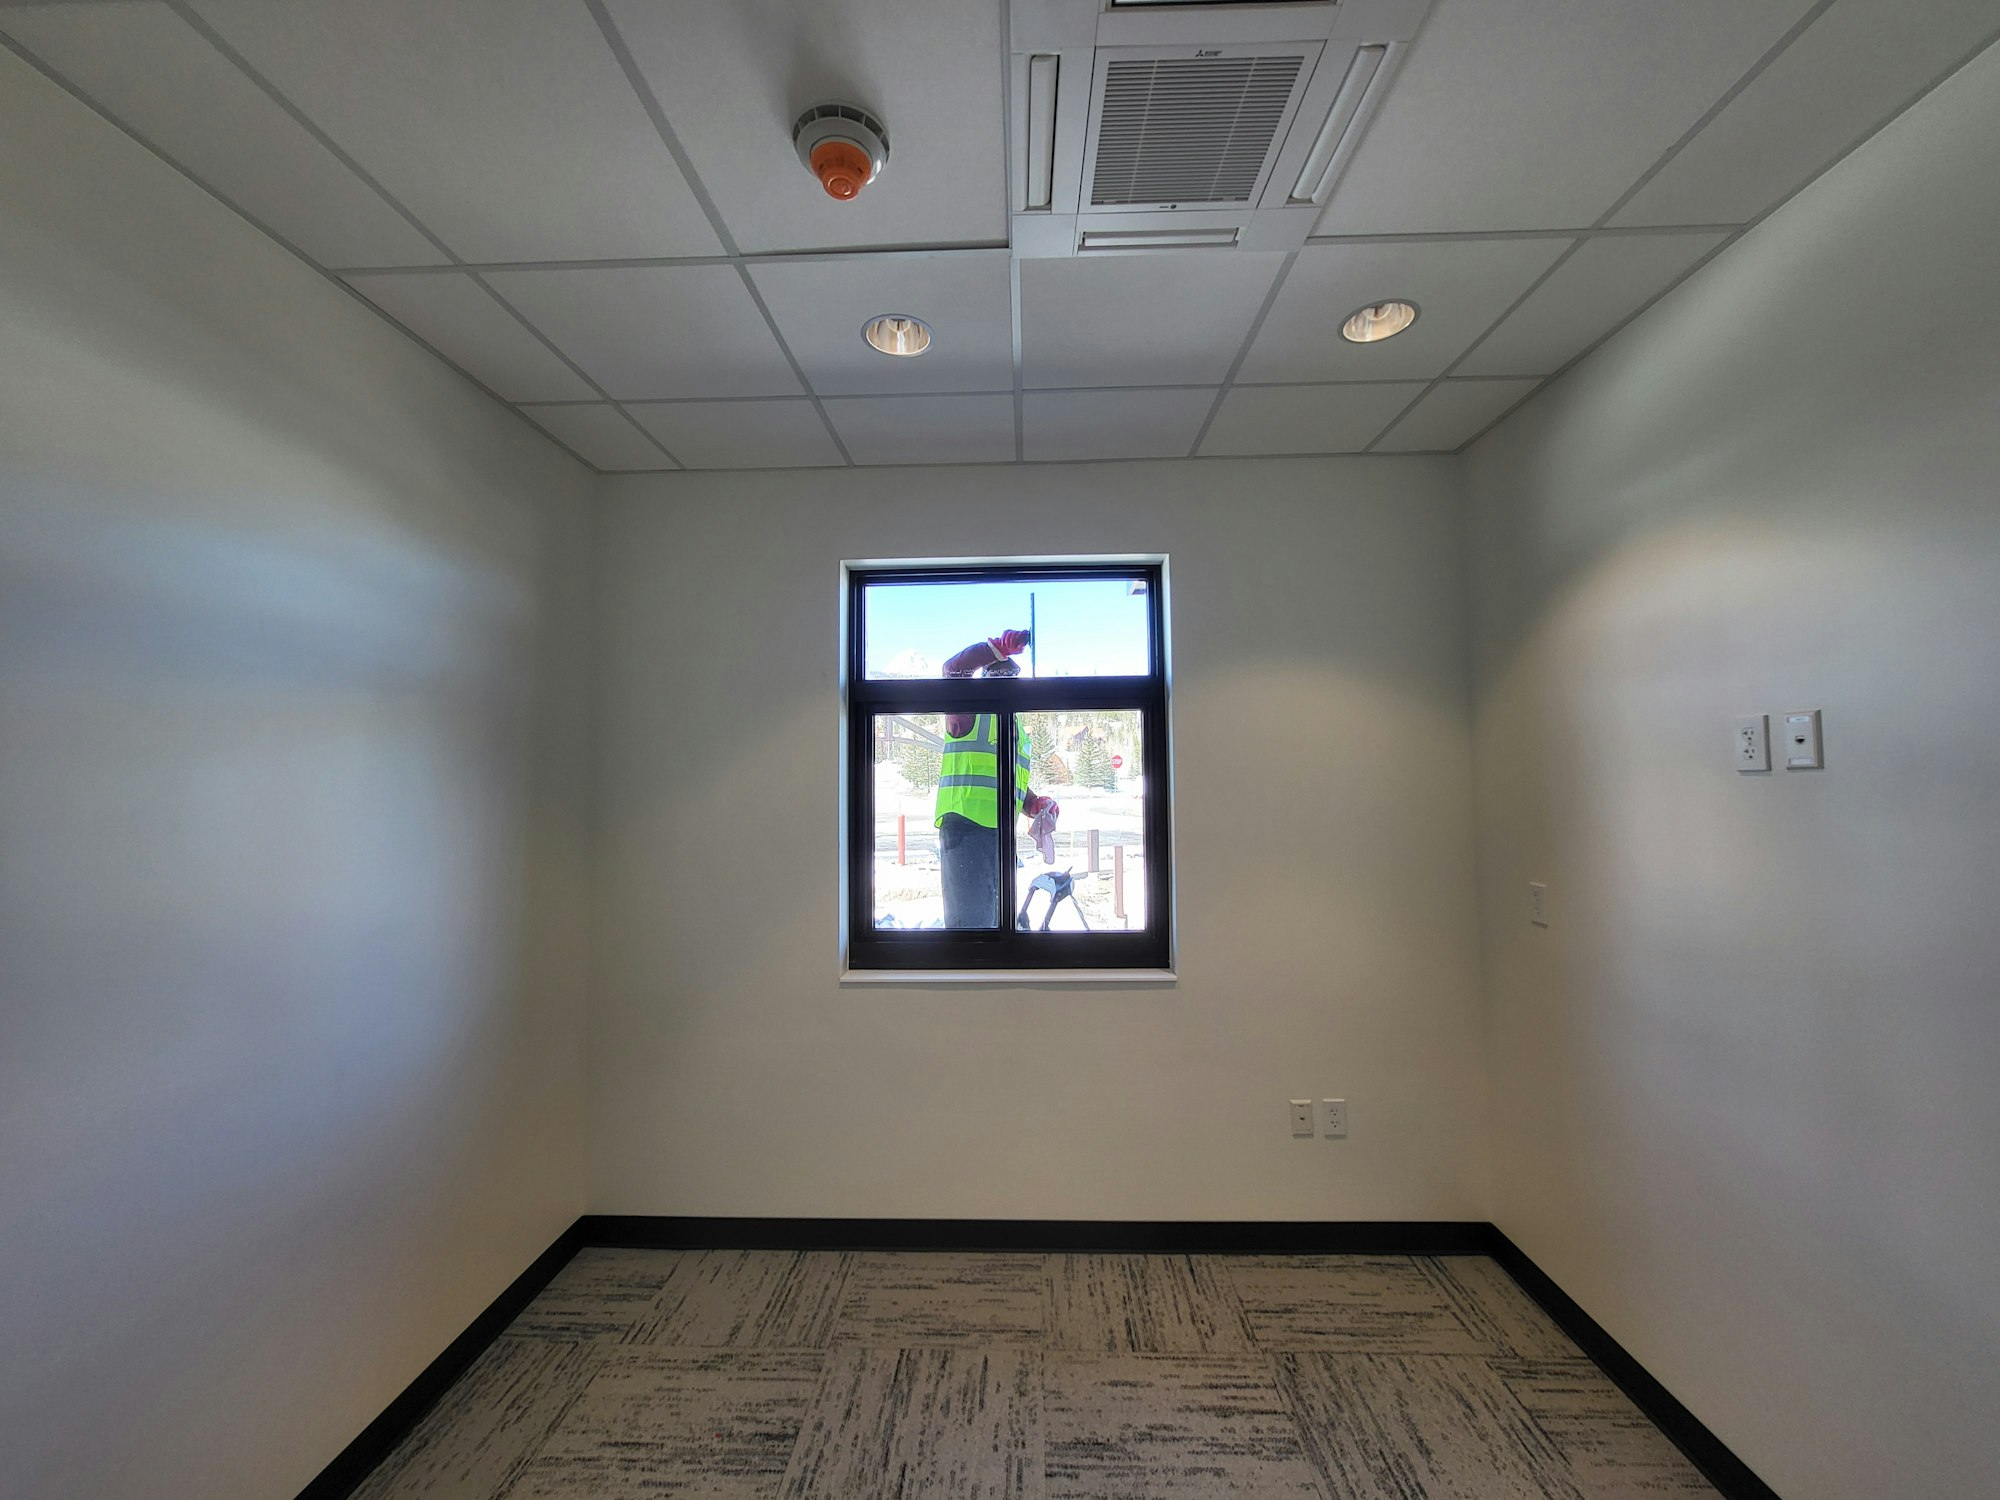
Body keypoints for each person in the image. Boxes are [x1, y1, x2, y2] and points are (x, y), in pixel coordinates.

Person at [934, 629, 1059, 928]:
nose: (1009, 688)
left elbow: (1007, 779)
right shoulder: (967, 715)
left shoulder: (1016, 730)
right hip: (965, 829)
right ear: (986, 681)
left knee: (996, 923)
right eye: (1001, 679)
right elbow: (953, 671)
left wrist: (1033, 804)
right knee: (971, 929)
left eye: (1011, 681)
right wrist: (994, 649)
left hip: (999, 834)